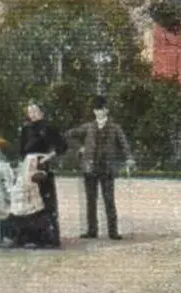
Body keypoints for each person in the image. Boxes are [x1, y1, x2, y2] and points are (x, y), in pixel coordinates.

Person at [66, 95, 136, 240]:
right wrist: (80, 148)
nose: (99, 112)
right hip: (90, 167)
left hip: (107, 167)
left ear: (107, 110)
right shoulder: (88, 127)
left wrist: (129, 158)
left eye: (101, 109)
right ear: (94, 111)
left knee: (109, 199)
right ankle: (92, 230)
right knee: (91, 200)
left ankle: (113, 231)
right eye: (97, 110)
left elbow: (124, 144)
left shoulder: (115, 128)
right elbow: (69, 135)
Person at [18, 102, 67, 248]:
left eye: (35, 111)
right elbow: (21, 150)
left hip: (41, 164)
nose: (32, 114)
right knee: (29, 201)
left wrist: (48, 157)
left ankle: (49, 238)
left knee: (45, 200)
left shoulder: (49, 128)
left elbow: (62, 146)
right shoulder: (25, 129)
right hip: (27, 166)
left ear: (42, 112)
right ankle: (31, 237)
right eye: (30, 111)